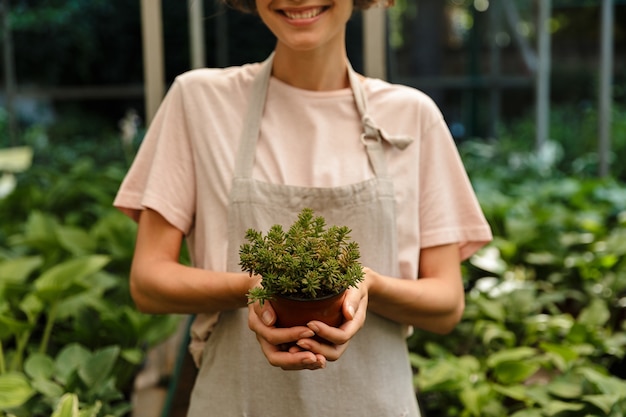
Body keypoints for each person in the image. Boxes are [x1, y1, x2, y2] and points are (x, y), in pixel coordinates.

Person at [114, 0, 493, 415]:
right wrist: (255, 289)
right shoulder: (199, 102)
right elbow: (147, 282)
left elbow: (446, 304)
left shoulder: (411, 116)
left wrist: (368, 285)